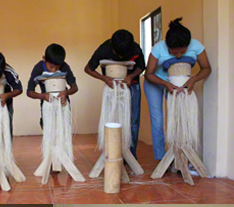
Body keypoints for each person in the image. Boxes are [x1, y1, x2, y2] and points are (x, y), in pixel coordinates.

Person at [143, 17, 212, 161]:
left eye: (183, 52)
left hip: (179, 83)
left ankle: (180, 158)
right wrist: (166, 84)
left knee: (178, 117)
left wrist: (193, 79)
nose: (179, 55)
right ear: (167, 45)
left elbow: (206, 68)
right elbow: (148, 74)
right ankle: (162, 159)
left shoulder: (196, 46)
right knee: (158, 121)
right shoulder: (158, 48)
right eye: (174, 53)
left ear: (189, 44)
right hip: (155, 82)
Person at [85, 29, 146, 157]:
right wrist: (105, 78)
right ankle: (112, 152)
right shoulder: (104, 49)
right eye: (117, 54)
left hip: (132, 84)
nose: (120, 58)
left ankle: (130, 155)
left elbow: (141, 66)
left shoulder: (135, 48)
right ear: (112, 45)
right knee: (112, 118)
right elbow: (88, 68)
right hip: (111, 86)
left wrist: (131, 76)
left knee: (132, 122)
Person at [27, 44, 79, 127]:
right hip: (47, 101)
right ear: (44, 59)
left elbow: (75, 87)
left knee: (64, 126)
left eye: (57, 67)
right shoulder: (38, 68)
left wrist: (66, 92)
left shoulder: (65, 67)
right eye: (51, 66)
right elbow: (29, 92)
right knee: (47, 126)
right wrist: (42, 96)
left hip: (63, 102)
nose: (54, 70)